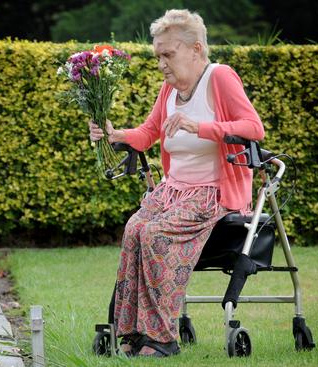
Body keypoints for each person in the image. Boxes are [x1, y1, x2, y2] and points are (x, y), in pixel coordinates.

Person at [89, 9, 264, 358]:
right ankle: (133, 332)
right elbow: (149, 133)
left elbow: (253, 128)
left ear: (196, 49)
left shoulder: (220, 78)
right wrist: (115, 134)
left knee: (155, 234)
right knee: (135, 229)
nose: (161, 64)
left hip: (214, 191)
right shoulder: (168, 89)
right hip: (173, 190)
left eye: (168, 54)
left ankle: (163, 338)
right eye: (158, 56)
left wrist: (198, 127)